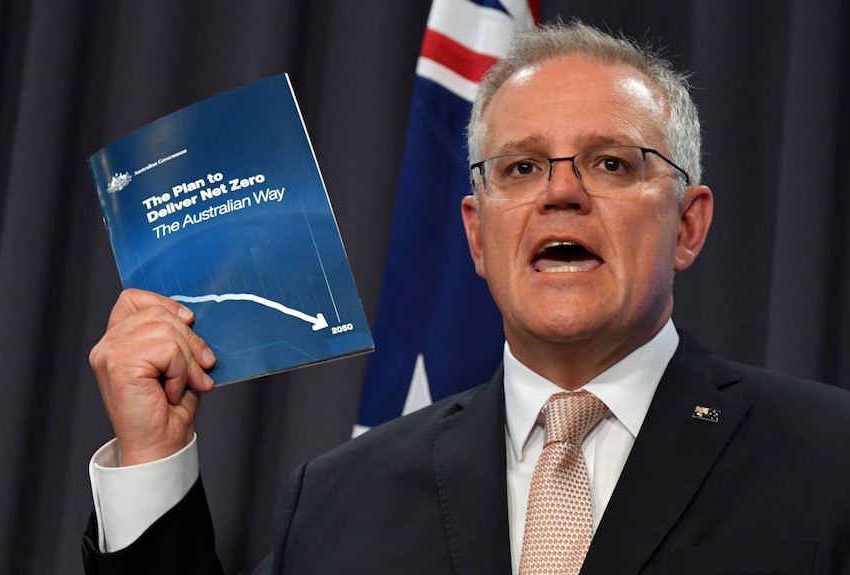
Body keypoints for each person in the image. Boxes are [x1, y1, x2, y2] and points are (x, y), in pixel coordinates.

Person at [82, 21, 850, 574]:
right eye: (520, 168)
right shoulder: (336, 498)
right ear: (478, 237)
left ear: (688, 224)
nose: (560, 193)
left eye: (612, 163)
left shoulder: (830, 455)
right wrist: (152, 457)